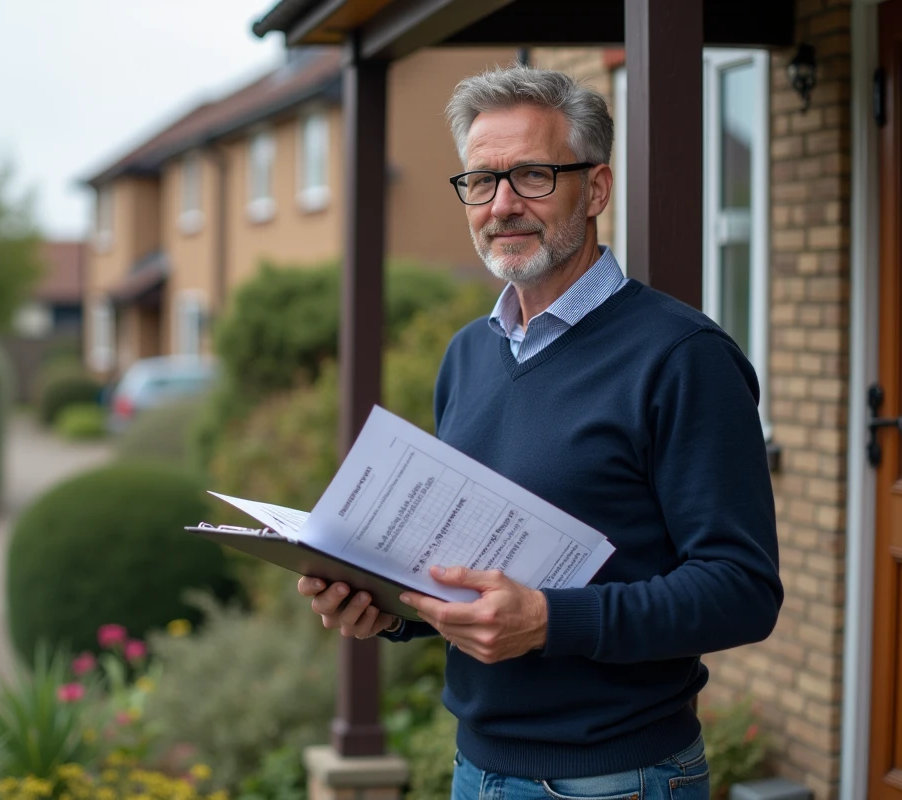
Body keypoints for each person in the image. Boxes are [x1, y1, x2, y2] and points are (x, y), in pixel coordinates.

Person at [298, 64, 783, 800]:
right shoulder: (468, 354)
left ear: (594, 190)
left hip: (617, 779)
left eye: (531, 175)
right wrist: (385, 606)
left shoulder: (683, 359)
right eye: (480, 181)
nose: (502, 205)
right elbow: (469, 568)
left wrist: (551, 621)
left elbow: (742, 591)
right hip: (476, 771)